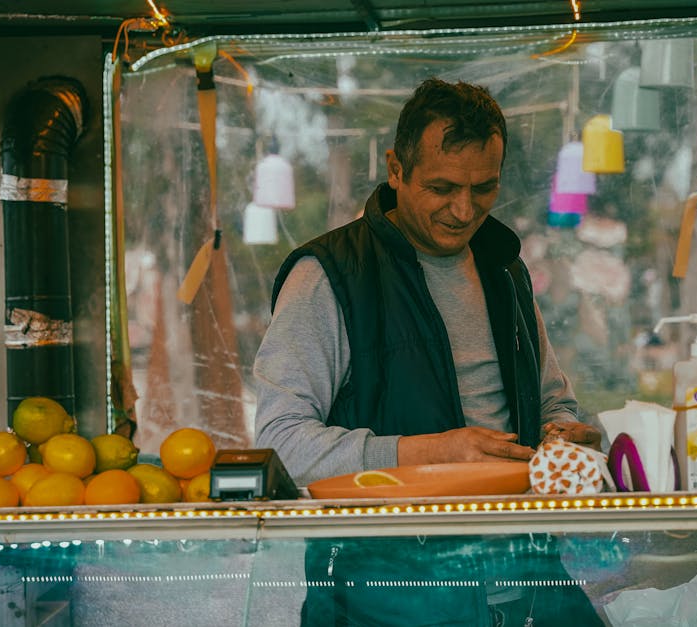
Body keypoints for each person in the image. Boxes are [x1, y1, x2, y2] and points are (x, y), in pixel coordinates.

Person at [253, 77, 603, 626]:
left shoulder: (503, 268)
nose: (465, 211)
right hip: (386, 602)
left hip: (528, 589)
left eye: (484, 188)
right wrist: (429, 455)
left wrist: (564, 433)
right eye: (442, 188)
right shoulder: (328, 276)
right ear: (396, 170)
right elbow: (280, 443)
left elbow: (553, 402)